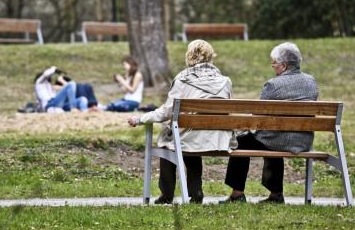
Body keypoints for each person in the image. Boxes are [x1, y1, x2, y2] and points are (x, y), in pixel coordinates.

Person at [127, 40, 236, 204]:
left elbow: (166, 111)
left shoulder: (183, 80)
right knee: (190, 140)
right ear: (210, 56)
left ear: (189, 56)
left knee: (171, 141)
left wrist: (140, 118)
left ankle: (167, 194)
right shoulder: (225, 81)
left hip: (191, 137)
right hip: (219, 138)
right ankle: (196, 191)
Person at [221, 42, 318, 204]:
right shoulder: (311, 81)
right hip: (302, 140)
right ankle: (276, 194)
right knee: (274, 137)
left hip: (277, 139)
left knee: (241, 141)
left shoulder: (273, 85)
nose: (273, 66)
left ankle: (237, 194)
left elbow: (257, 116)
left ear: (284, 65)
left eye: (274, 63)